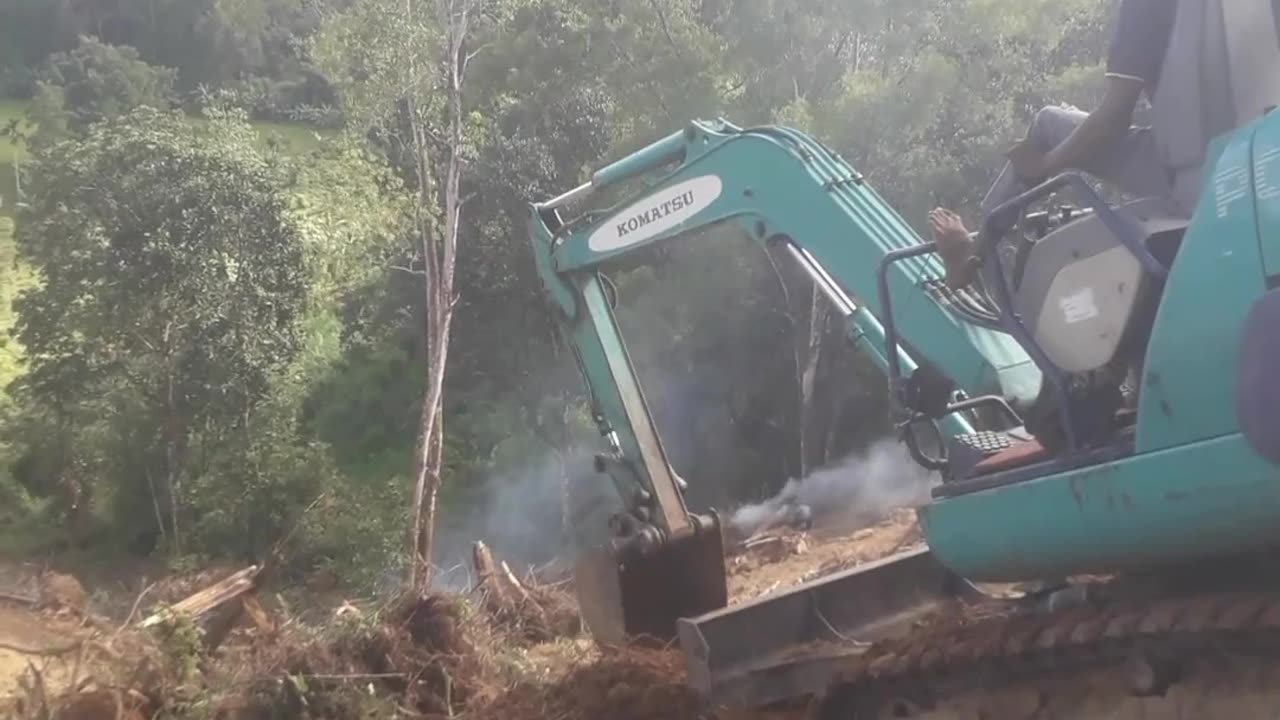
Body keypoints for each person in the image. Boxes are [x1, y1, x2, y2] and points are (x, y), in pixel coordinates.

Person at [932, 0, 1180, 290]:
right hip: (1222, 157)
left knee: (1048, 123)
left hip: (1184, 167)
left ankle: (971, 256)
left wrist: (1044, 164)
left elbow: (1113, 121)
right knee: (1069, 124)